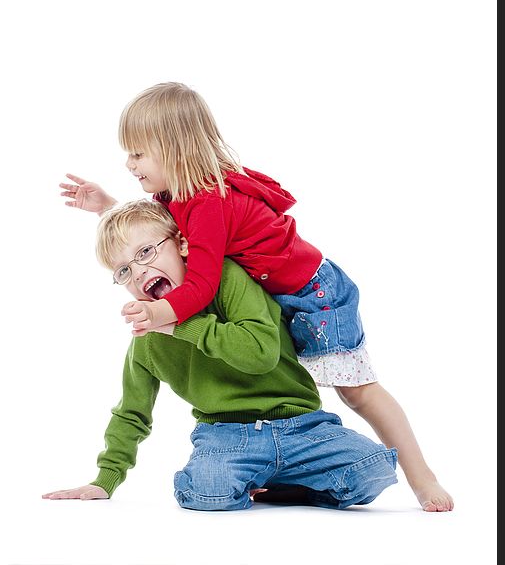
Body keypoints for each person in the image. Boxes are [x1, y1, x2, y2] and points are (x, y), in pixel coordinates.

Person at [59, 82, 453, 511]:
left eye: (137, 152)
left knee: (357, 391)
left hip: (314, 294)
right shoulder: (177, 197)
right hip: (276, 295)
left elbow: (202, 285)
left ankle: (421, 476)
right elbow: (153, 238)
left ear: (173, 148)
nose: (129, 163)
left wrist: (162, 315)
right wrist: (108, 208)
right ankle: (282, 479)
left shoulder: (207, 202)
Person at [43, 200, 398, 509]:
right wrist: (106, 478)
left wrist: (182, 325)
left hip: (302, 426)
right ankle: (243, 478)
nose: (139, 272)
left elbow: (259, 353)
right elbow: (132, 412)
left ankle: (289, 488)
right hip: (226, 434)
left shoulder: (228, 280)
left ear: (182, 244)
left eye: (146, 253)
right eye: (123, 271)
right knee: (209, 492)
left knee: (376, 470)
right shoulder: (147, 340)